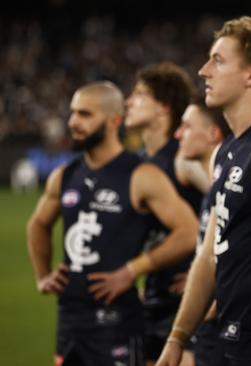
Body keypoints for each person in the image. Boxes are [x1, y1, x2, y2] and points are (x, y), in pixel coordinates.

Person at [156, 16, 251, 366]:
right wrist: (177, 337)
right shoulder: (227, 151)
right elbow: (208, 254)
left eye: (218, 60)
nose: (203, 70)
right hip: (227, 336)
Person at [26, 81, 198, 366]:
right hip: (69, 319)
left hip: (118, 321)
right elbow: (38, 224)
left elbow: (189, 231)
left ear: (113, 120)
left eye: (84, 114)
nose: (73, 123)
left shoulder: (141, 175)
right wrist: (42, 275)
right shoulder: (65, 175)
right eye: (73, 113)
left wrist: (132, 271)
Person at [124, 62, 205, 366]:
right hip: (155, 299)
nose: (128, 101)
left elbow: (236, 207)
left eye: (140, 94)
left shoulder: (184, 158)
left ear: (163, 108)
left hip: (187, 305)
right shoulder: (144, 163)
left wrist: (218, 275)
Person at [173, 99, 232, 366]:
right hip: (208, 327)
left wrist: (221, 295)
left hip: (228, 328)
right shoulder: (214, 188)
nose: (178, 134)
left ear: (213, 134)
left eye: (186, 127)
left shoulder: (234, 191)